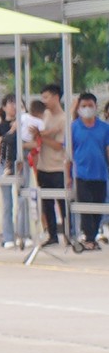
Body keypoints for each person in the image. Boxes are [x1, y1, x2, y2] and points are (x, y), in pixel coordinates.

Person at [70, 92, 107, 250]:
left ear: (96, 107)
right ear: (78, 108)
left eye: (90, 106)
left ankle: (92, 236)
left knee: (98, 206)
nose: (87, 109)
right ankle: (89, 238)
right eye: (83, 106)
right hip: (81, 174)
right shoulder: (73, 127)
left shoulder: (104, 128)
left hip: (100, 173)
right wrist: (68, 175)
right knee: (85, 206)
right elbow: (69, 152)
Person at [35, 86, 70, 249]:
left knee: (63, 204)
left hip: (57, 167)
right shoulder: (45, 115)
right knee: (47, 204)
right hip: (43, 166)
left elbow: (59, 145)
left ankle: (69, 235)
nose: (44, 101)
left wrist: (41, 136)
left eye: (47, 97)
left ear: (56, 97)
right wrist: (44, 134)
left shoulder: (64, 119)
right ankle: (52, 235)